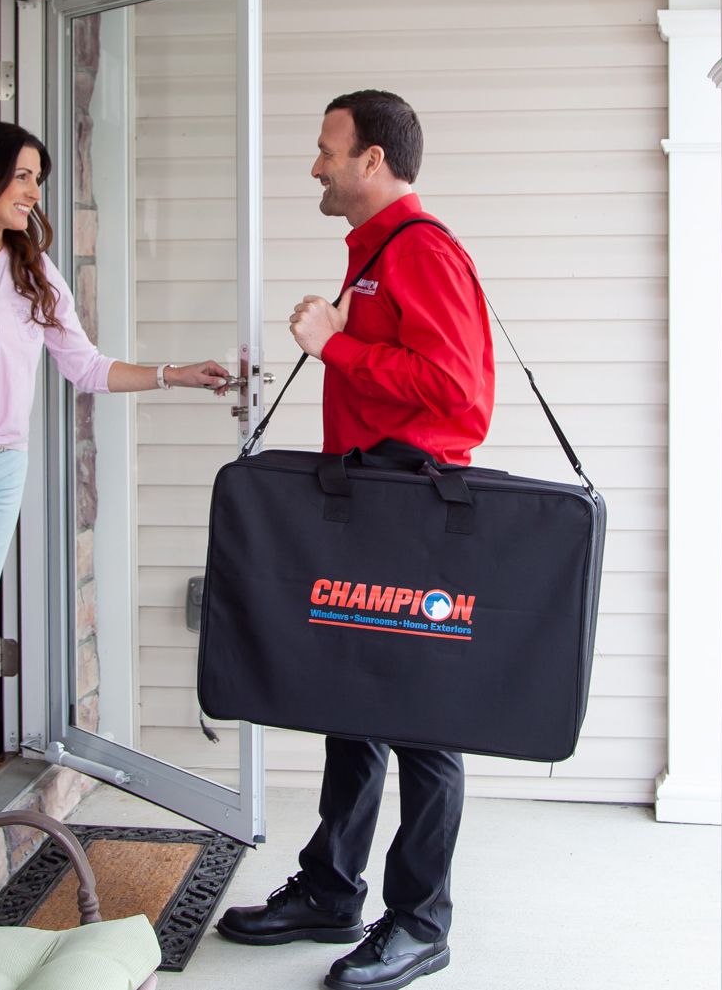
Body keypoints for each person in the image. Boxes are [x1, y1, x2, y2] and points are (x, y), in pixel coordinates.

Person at [215, 90, 494, 989]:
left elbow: (462, 397)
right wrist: (342, 333)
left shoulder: (422, 251)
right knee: (352, 696)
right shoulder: (372, 254)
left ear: (373, 160)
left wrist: (335, 347)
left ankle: (420, 921)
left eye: (328, 149)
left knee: (422, 717)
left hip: (411, 503)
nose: (316, 165)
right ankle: (332, 889)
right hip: (368, 499)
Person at [0, 121, 231, 837]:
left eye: (38, 180)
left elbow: (87, 367)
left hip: (2, 468)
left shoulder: (34, 272)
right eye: (23, 177)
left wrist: (176, 374)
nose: (34, 193)